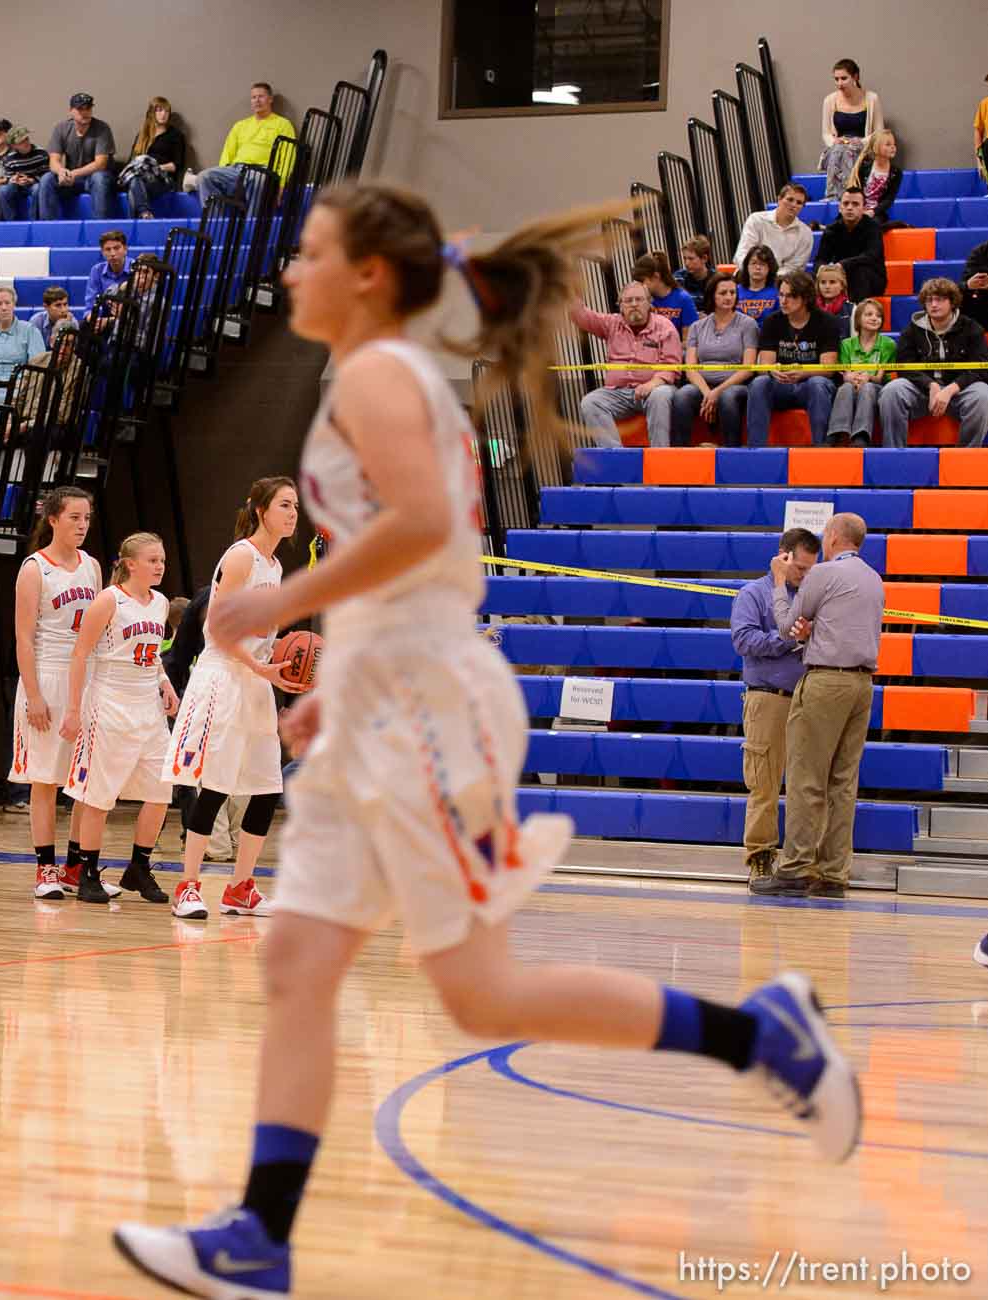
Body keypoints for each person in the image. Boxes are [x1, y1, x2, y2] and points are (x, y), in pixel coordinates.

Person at [112, 183, 861, 1300]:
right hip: (390, 694)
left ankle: (761, 1038)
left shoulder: (376, 374)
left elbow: (422, 532)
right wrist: (343, 674)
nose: (290, 274)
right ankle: (259, 1237)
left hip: (422, 709)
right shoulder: (383, 374)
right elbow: (424, 559)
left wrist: (276, 606)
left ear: (367, 274)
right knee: (314, 964)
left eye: (309, 254)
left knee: (468, 990)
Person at [166, 478, 305, 919]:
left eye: (296, 506)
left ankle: (240, 887)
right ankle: (187, 886)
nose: (293, 513)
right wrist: (257, 666)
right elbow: (220, 630)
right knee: (216, 786)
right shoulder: (241, 556)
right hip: (223, 677)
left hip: (255, 681)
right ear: (262, 510)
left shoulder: (275, 565)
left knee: (266, 788)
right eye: (285, 505)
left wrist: (281, 670)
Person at [753, 513, 883, 899]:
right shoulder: (874, 579)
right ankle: (833, 874)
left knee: (806, 776)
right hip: (863, 683)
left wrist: (778, 582)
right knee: (843, 783)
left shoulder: (824, 574)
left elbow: (785, 625)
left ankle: (793, 870)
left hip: (827, 680)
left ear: (833, 537)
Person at [58, 532, 178, 904]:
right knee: (98, 797)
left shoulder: (159, 603)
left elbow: (153, 654)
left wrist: (165, 682)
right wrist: (74, 710)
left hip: (148, 708)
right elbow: (79, 655)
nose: (159, 566)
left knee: (160, 793)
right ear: (130, 564)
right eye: (152, 560)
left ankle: (139, 867)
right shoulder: (108, 600)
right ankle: (87, 872)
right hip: (109, 704)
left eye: (162, 560)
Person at [13, 488, 111, 900]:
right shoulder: (35, 569)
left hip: (86, 678)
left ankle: (75, 867)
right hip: (48, 675)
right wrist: (34, 693)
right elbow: (23, 636)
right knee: (45, 780)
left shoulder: (91, 566)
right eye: (73, 517)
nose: (82, 525)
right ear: (53, 519)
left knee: (83, 780)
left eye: (86, 517)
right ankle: (45, 868)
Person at [730, 528, 818, 886]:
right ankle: (761, 858)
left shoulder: (812, 597)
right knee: (764, 784)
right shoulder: (754, 594)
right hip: (768, 698)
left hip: (807, 698)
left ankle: (801, 860)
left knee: (806, 785)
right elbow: (743, 639)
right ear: (782, 557)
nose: (804, 575)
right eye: (799, 568)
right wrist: (787, 640)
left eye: (811, 569)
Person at [877, 277, 988, 448]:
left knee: (983, 394)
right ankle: (893, 452)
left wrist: (950, 389)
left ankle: (966, 456)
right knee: (892, 390)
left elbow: (980, 368)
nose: (933, 304)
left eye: (939, 299)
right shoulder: (912, 330)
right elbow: (904, 367)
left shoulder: (972, 328)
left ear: (952, 302)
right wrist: (931, 385)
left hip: (960, 391)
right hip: (923, 392)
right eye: (929, 300)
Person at [570, 283, 681, 448]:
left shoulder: (665, 327)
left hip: (655, 388)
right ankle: (615, 456)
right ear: (621, 306)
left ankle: (660, 455)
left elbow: (672, 366)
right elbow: (583, 317)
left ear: (649, 304)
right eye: (628, 301)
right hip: (618, 392)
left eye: (639, 299)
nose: (634, 304)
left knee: (660, 396)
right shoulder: (612, 323)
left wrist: (652, 384)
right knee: (590, 401)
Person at [745, 270, 841, 447]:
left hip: (810, 385)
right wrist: (772, 371)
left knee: (818, 383)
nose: (783, 301)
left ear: (805, 298)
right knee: (760, 383)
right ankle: (755, 450)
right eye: (781, 295)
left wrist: (803, 372)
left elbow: (828, 369)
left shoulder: (827, 322)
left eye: (790, 296)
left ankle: (822, 449)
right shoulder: (772, 321)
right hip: (781, 384)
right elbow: (764, 364)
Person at [671, 273, 758, 445]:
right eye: (723, 293)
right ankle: (680, 454)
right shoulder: (697, 326)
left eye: (732, 293)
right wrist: (708, 394)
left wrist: (717, 392)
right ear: (712, 295)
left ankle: (732, 453)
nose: (728, 297)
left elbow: (748, 368)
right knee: (682, 396)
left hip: (735, 384)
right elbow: (690, 368)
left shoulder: (748, 324)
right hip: (703, 385)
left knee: (728, 397)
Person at [198, 82, 297, 206]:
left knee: (258, 180)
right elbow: (227, 153)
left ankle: (252, 223)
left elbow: (288, 158)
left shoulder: (283, 124)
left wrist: (281, 187)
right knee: (204, 177)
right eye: (253, 97)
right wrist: (223, 170)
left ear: (270, 99)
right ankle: (214, 223)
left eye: (261, 96)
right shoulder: (240, 125)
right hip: (236, 171)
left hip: (262, 171)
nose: (257, 101)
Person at [38, 93, 118, 221]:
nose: (85, 112)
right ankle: (48, 230)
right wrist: (61, 171)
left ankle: (101, 231)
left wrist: (74, 173)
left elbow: (100, 164)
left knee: (99, 178)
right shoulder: (61, 128)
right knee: (47, 178)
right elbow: (53, 161)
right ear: (71, 111)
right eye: (80, 109)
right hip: (74, 179)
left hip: (96, 177)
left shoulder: (102, 128)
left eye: (88, 108)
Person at [830, 298, 896, 445]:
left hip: (876, 387)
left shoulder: (888, 344)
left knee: (867, 387)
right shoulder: (846, 344)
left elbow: (879, 378)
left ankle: (861, 435)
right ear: (858, 319)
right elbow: (845, 374)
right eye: (869, 314)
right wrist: (851, 379)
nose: (874, 318)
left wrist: (867, 378)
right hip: (852, 384)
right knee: (846, 387)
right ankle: (837, 432)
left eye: (878, 316)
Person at [819, 59, 881, 201]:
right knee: (840, 150)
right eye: (836, 79)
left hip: (863, 148)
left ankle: (841, 196)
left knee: (847, 150)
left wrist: (859, 141)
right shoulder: (829, 100)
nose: (839, 83)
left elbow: (878, 133)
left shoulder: (872, 99)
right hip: (837, 149)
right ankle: (843, 195)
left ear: (855, 77)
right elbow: (826, 133)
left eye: (844, 78)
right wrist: (835, 141)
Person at [816, 187, 885, 304]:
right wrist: (822, 268)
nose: (849, 208)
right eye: (846, 203)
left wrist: (842, 265)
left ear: (863, 208)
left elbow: (871, 256)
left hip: (871, 278)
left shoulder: (873, 227)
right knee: (818, 275)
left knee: (860, 272)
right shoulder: (831, 230)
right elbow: (821, 258)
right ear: (840, 207)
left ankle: (854, 315)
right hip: (840, 277)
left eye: (855, 204)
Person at [0, 287, 48, 389]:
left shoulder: (30, 331)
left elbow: (38, 366)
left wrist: (24, 384)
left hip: (20, 388)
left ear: (14, 305)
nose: (4, 308)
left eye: (7, 303)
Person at [123, 96, 187, 216]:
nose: (164, 114)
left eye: (167, 111)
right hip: (141, 177)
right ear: (152, 113)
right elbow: (131, 162)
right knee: (134, 181)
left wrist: (154, 167)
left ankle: (136, 222)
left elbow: (176, 165)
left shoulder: (175, 135)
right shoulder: (142, 135)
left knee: (134, 186)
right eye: (159, 110)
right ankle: (145, 214)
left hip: (164, 178)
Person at [732, 182, 813, 273]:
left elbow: (794, 267)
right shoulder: (756, 220)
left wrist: (769, 277)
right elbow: (742, 254)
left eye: (799, 203)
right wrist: (754, 272)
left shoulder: (806, 233)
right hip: (748, 275)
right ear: (779, 199)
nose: (794, 205)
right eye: (790, 199)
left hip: (780, 281)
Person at [0, 126, 50, 221]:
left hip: (34, 184)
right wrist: (13, 179)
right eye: (21, 142)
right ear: (14, 146)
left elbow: (46, 175)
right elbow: (8, 177)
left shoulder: (41, 154)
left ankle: (34, 221)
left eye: (26, 139)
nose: (26, 142)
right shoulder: (9, 159)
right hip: (17, 186)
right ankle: (11, 222)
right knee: (3, 191)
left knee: (38, 189)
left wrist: (31, 180)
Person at [632, 253, 698, 334]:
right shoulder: (644, 301)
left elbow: (688, 341)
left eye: (642, 281)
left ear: (656, 276)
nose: (639, 286)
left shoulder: (683, 299)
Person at [846, 128, 900, 224]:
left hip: (877, 213)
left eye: (894, 144)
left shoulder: (896, 172)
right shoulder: (864, 165)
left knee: (871, 224)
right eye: (888, 144)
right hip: (858, 208)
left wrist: (872, 211)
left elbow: (889, 199)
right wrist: (859, 209)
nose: (893, 147)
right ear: (876, 147)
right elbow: (855, 190)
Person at [85, 230, 131, 325]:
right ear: (102, 252)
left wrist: (108, 321)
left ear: (125, 249)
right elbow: (91, 305)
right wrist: (93, 319)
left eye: (116, 248)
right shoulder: (96, 270)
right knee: (85, 325)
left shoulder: (136, 269)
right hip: (103, 319)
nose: (113, 253)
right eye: (108, 249)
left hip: (128, 319)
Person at [736, 245, 782, 322]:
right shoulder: (734, 291)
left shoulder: (778, 293)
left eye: (762, 264)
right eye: (753, 263)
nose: (757, 267)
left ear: (770, 268)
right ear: (747, 266)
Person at [675, 236, 716, 308]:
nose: (686, 263)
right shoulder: (679, 277)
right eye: (685, 258)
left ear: (704, 258)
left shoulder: (716, 279)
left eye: (691, 259)